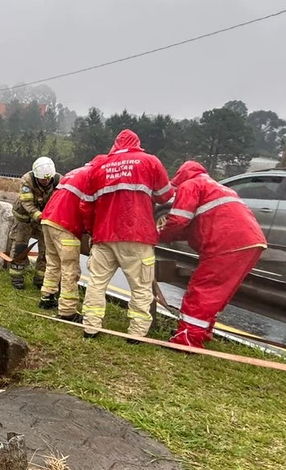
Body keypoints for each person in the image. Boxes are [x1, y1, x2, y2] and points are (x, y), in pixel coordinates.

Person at [157, 161, 267, 347]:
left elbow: (178, 220)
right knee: (217, 293)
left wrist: (157, 236)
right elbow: (197, 224)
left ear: (180, 177)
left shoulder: (190, 185)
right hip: (251, 243)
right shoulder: (216, 187)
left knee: (203, 290)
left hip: (226, 244)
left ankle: (187, 339)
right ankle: (201, 332)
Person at [80, 129, 174, 341]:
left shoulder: (99, 166)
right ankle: (136, 334)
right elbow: (165, 196)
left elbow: (86, 205)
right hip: (137, 235)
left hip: (104, 235)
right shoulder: (150, 161)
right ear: (138, 144)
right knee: (140, 286)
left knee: (96, 283)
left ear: (115, 145)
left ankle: (91, 328)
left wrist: (92, 230)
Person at [38, 154, 106, 319]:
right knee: (70, 268)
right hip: (65, 224)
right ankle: (67, 311)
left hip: (48, 219)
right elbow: (88, 206)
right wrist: (91, 229)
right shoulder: (93, 176)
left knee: (53, 262)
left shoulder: (75, 172)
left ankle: (47, 296)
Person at [7, 157, 61, 290]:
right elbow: (27, 203)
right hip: (24, 219)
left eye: (48, 179)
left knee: (46, 250)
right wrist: (38, 215)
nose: (46, 181)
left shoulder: (59, 181)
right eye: (43, 179)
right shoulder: (27, 180)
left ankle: (40, 278)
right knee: (20, 247)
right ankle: (17, 276)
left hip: (45, 220)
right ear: (37, 177)